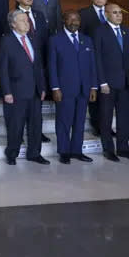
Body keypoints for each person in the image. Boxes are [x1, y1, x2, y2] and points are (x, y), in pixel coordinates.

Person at [0, 9, 49, 166]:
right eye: (22, 20)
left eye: (27, 20)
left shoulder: (33, 39)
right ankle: (12, 153)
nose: (26, 23)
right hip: (16, 91)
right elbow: (2, 69)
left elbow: (38, 66)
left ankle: (34, 153)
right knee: (16, 124)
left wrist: (42, 87)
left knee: (35, 124)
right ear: (13, 24)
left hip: (34, 90)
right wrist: (6, 91)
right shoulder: (6, 41)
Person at [48, 10, 97, 163]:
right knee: (64, 121)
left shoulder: (86, 40)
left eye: (77, 19)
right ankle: (64, 152)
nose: (74, 22)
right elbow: (52, 66)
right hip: (64, 89)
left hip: (84, 89)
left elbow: (92, 66)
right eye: (70, 19)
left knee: (80, 122)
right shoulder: (55, 40)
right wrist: (55, 88)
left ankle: (77, 151)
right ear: (64, 20)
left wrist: (94, 87)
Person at [94, 3, 129, 162]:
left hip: (124, 82)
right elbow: (97, 59)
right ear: (106, 14)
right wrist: (102, 82)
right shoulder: (99, 31)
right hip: (107, 84)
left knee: (124, 118)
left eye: (120, 13)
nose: (119, 15)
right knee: (106, 118)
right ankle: (109, 150)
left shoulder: (126, 31)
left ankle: (123, 148)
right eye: (115, 13)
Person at [78, 0, 110, 136]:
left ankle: (107, 126)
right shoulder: (83, 14)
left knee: (108, 97)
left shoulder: (111, 12)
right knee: (95, 95)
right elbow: (80, 37)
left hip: (109, 61)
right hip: (91, 59)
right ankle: (97, 125)